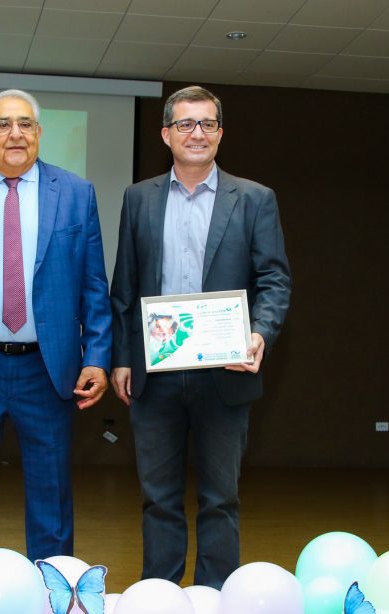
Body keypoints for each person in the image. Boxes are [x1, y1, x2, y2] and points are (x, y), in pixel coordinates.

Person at [110, 85, 291, 588]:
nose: (197, 133)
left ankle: (215, 596)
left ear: (220, 133)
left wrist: (260, 333)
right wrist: (122, 357)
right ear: (166, 134)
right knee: (158, 499)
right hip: (156, 373)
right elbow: (125, 285)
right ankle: (160, 594)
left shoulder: (254, 199)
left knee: (220, 499)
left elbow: (275, 280)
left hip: (225, 372)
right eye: (186, 124)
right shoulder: (138, 198)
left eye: (207, 124)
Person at [0, 89, 112, 567]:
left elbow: (94, 284)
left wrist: (97, 356)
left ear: (39, 133)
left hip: (46, 366)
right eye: (4, 124)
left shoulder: (75, 193)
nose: (16, 134)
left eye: (26, 124)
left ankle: (52, 585)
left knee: (51, 490)